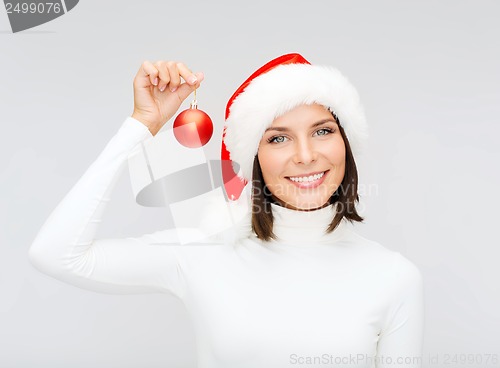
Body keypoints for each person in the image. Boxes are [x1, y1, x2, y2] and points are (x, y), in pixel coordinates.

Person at [29, 53, 424, 368]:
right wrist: (141, 125)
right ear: (253, 159)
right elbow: (55, 254)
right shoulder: (203, 254)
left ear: (345, 143)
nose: (306, 156)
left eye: (323, 131)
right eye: (278, 138)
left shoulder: (393, 276)